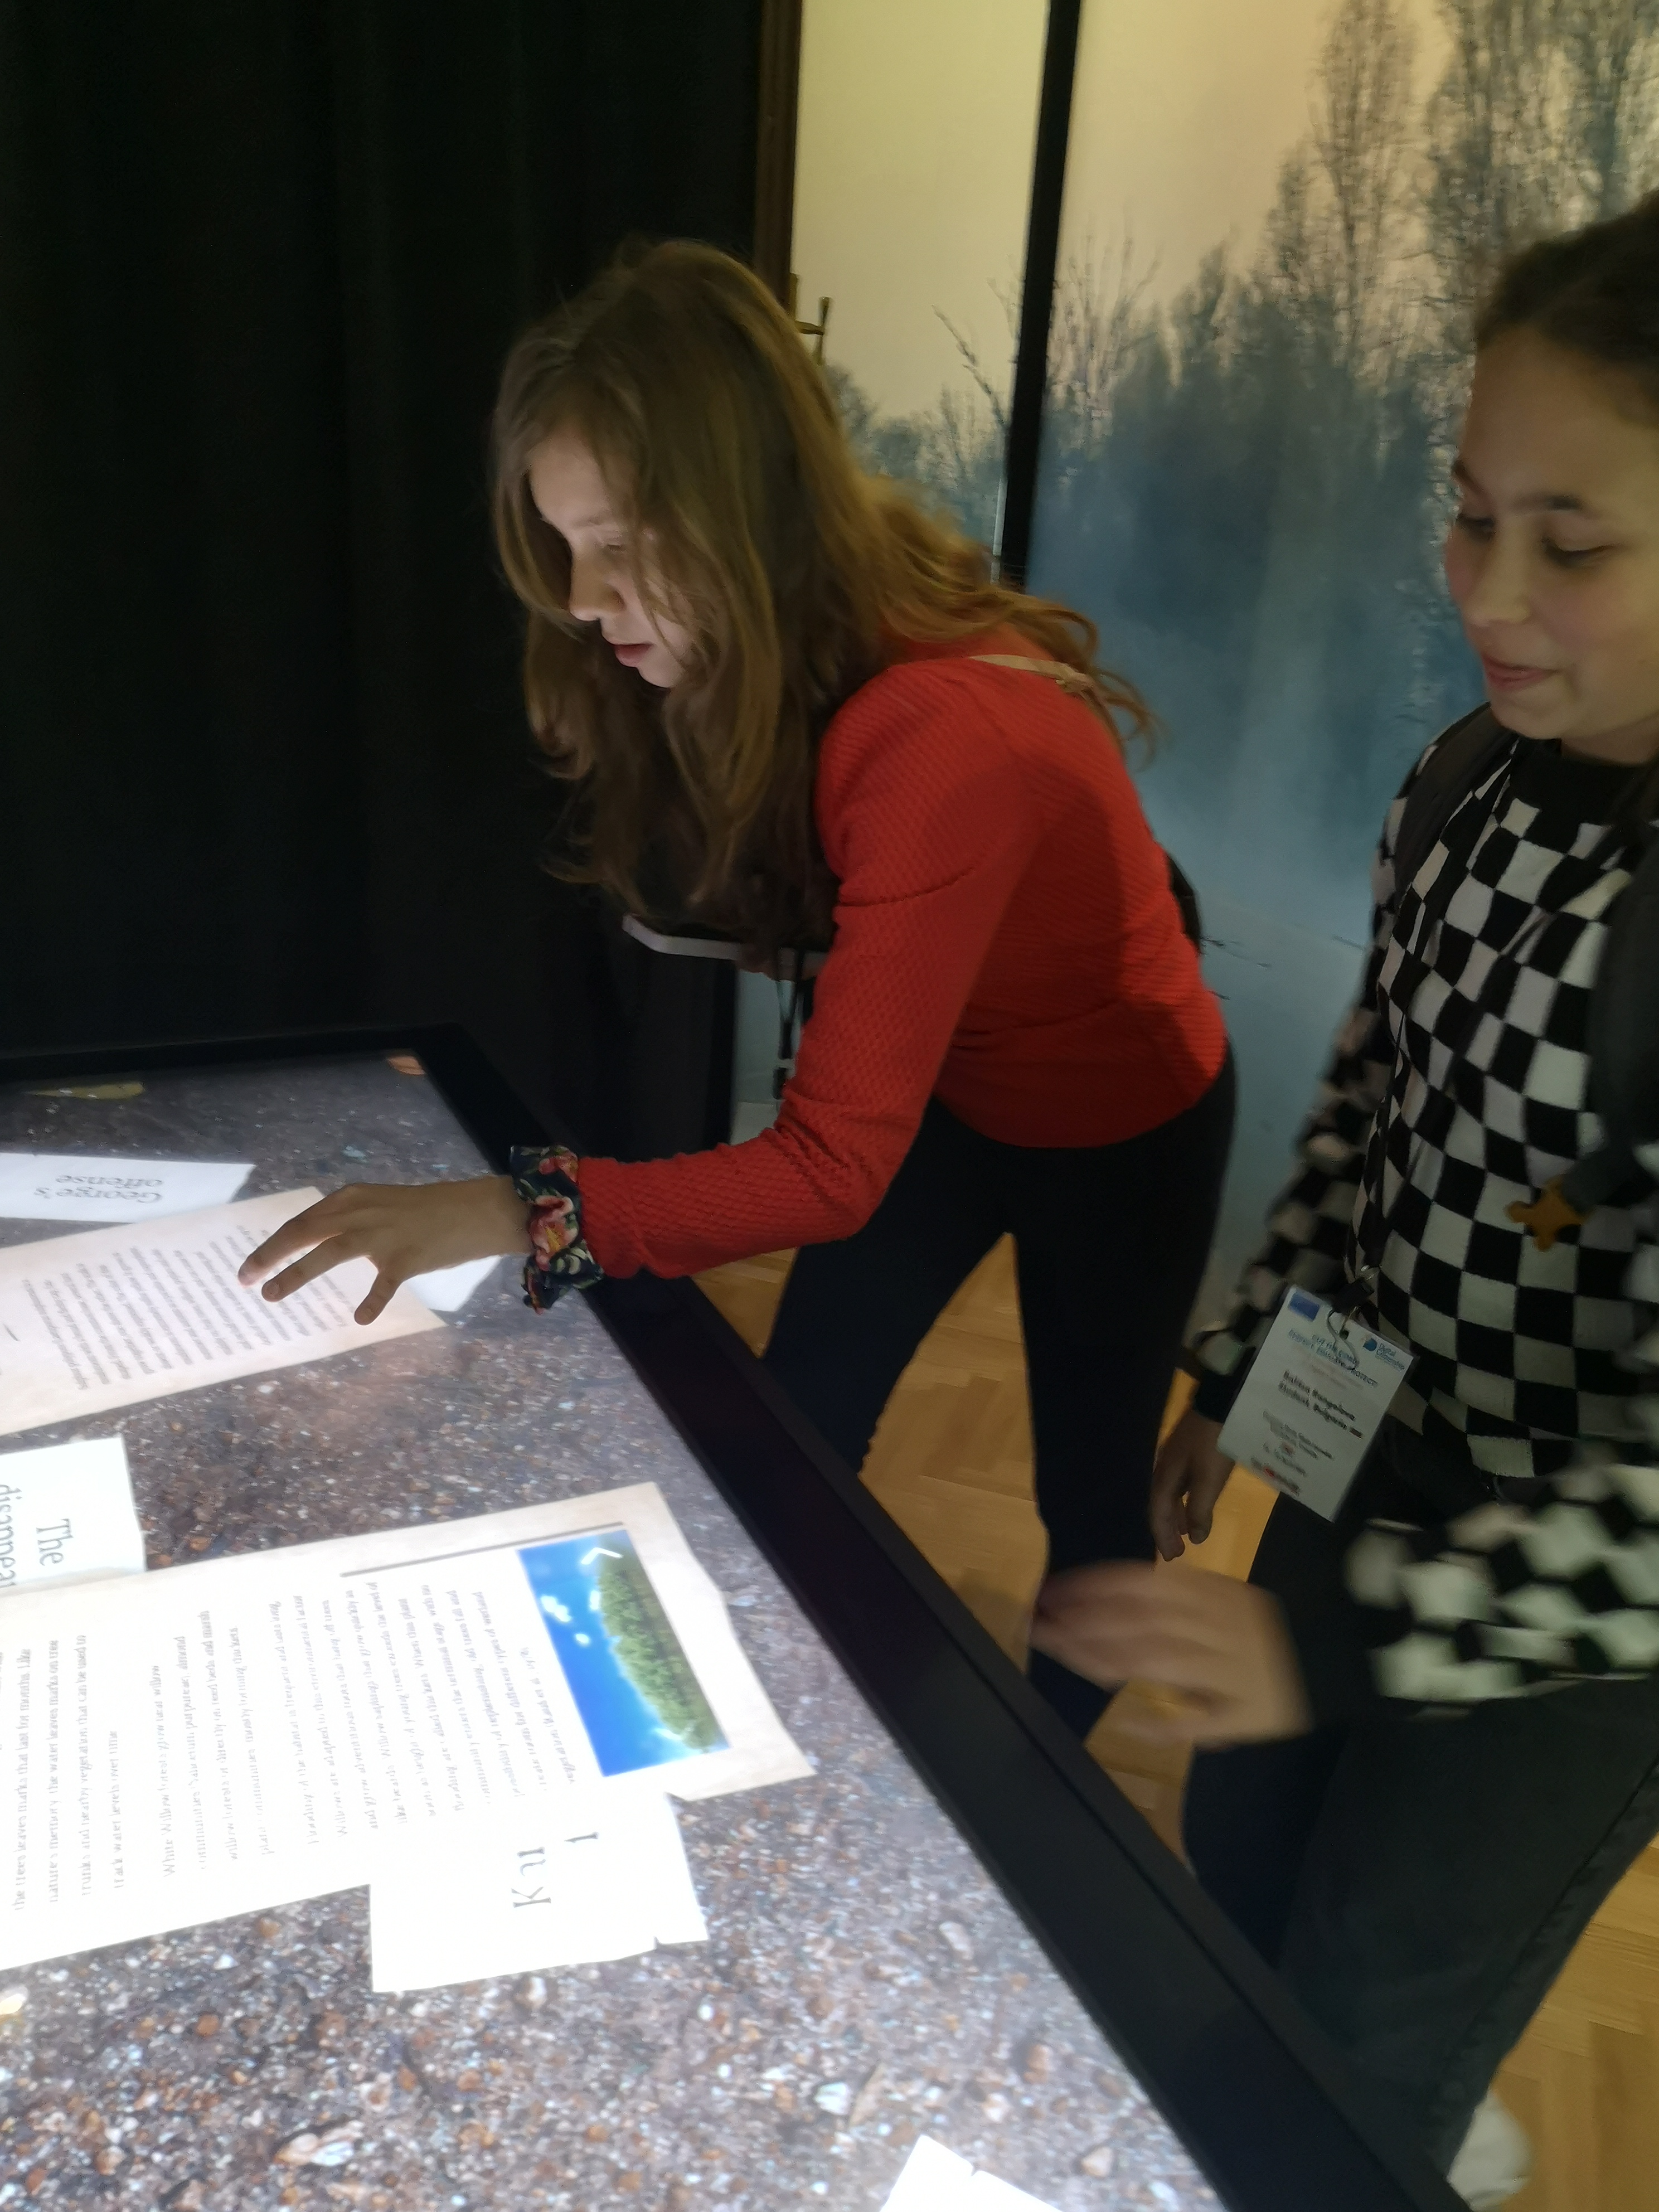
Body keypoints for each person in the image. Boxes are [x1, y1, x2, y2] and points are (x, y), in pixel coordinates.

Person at [239, 240, 1233, 1733]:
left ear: (752, 509)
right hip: (959, 1084)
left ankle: (1055, 1779)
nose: (584, 598)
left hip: (1124, 1124)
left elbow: (829, 1170)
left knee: (1087, 1492)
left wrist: (526, 1210)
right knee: (803, 1408)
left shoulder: (945, 737)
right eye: (566, 544)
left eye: (622, 542)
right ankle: (769, 1708)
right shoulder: (806, 638)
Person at [1031, 191, 1659, 2205]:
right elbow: (1382, 1119)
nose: (1491, 588)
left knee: (1384, 1998)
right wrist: (1255, 1386)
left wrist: (1345, 1646)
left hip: (1576, 1614)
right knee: (1244, 1856)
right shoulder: (1461, 783)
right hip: (1382, 1453)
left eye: (1574, 544)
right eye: (1471, 515)